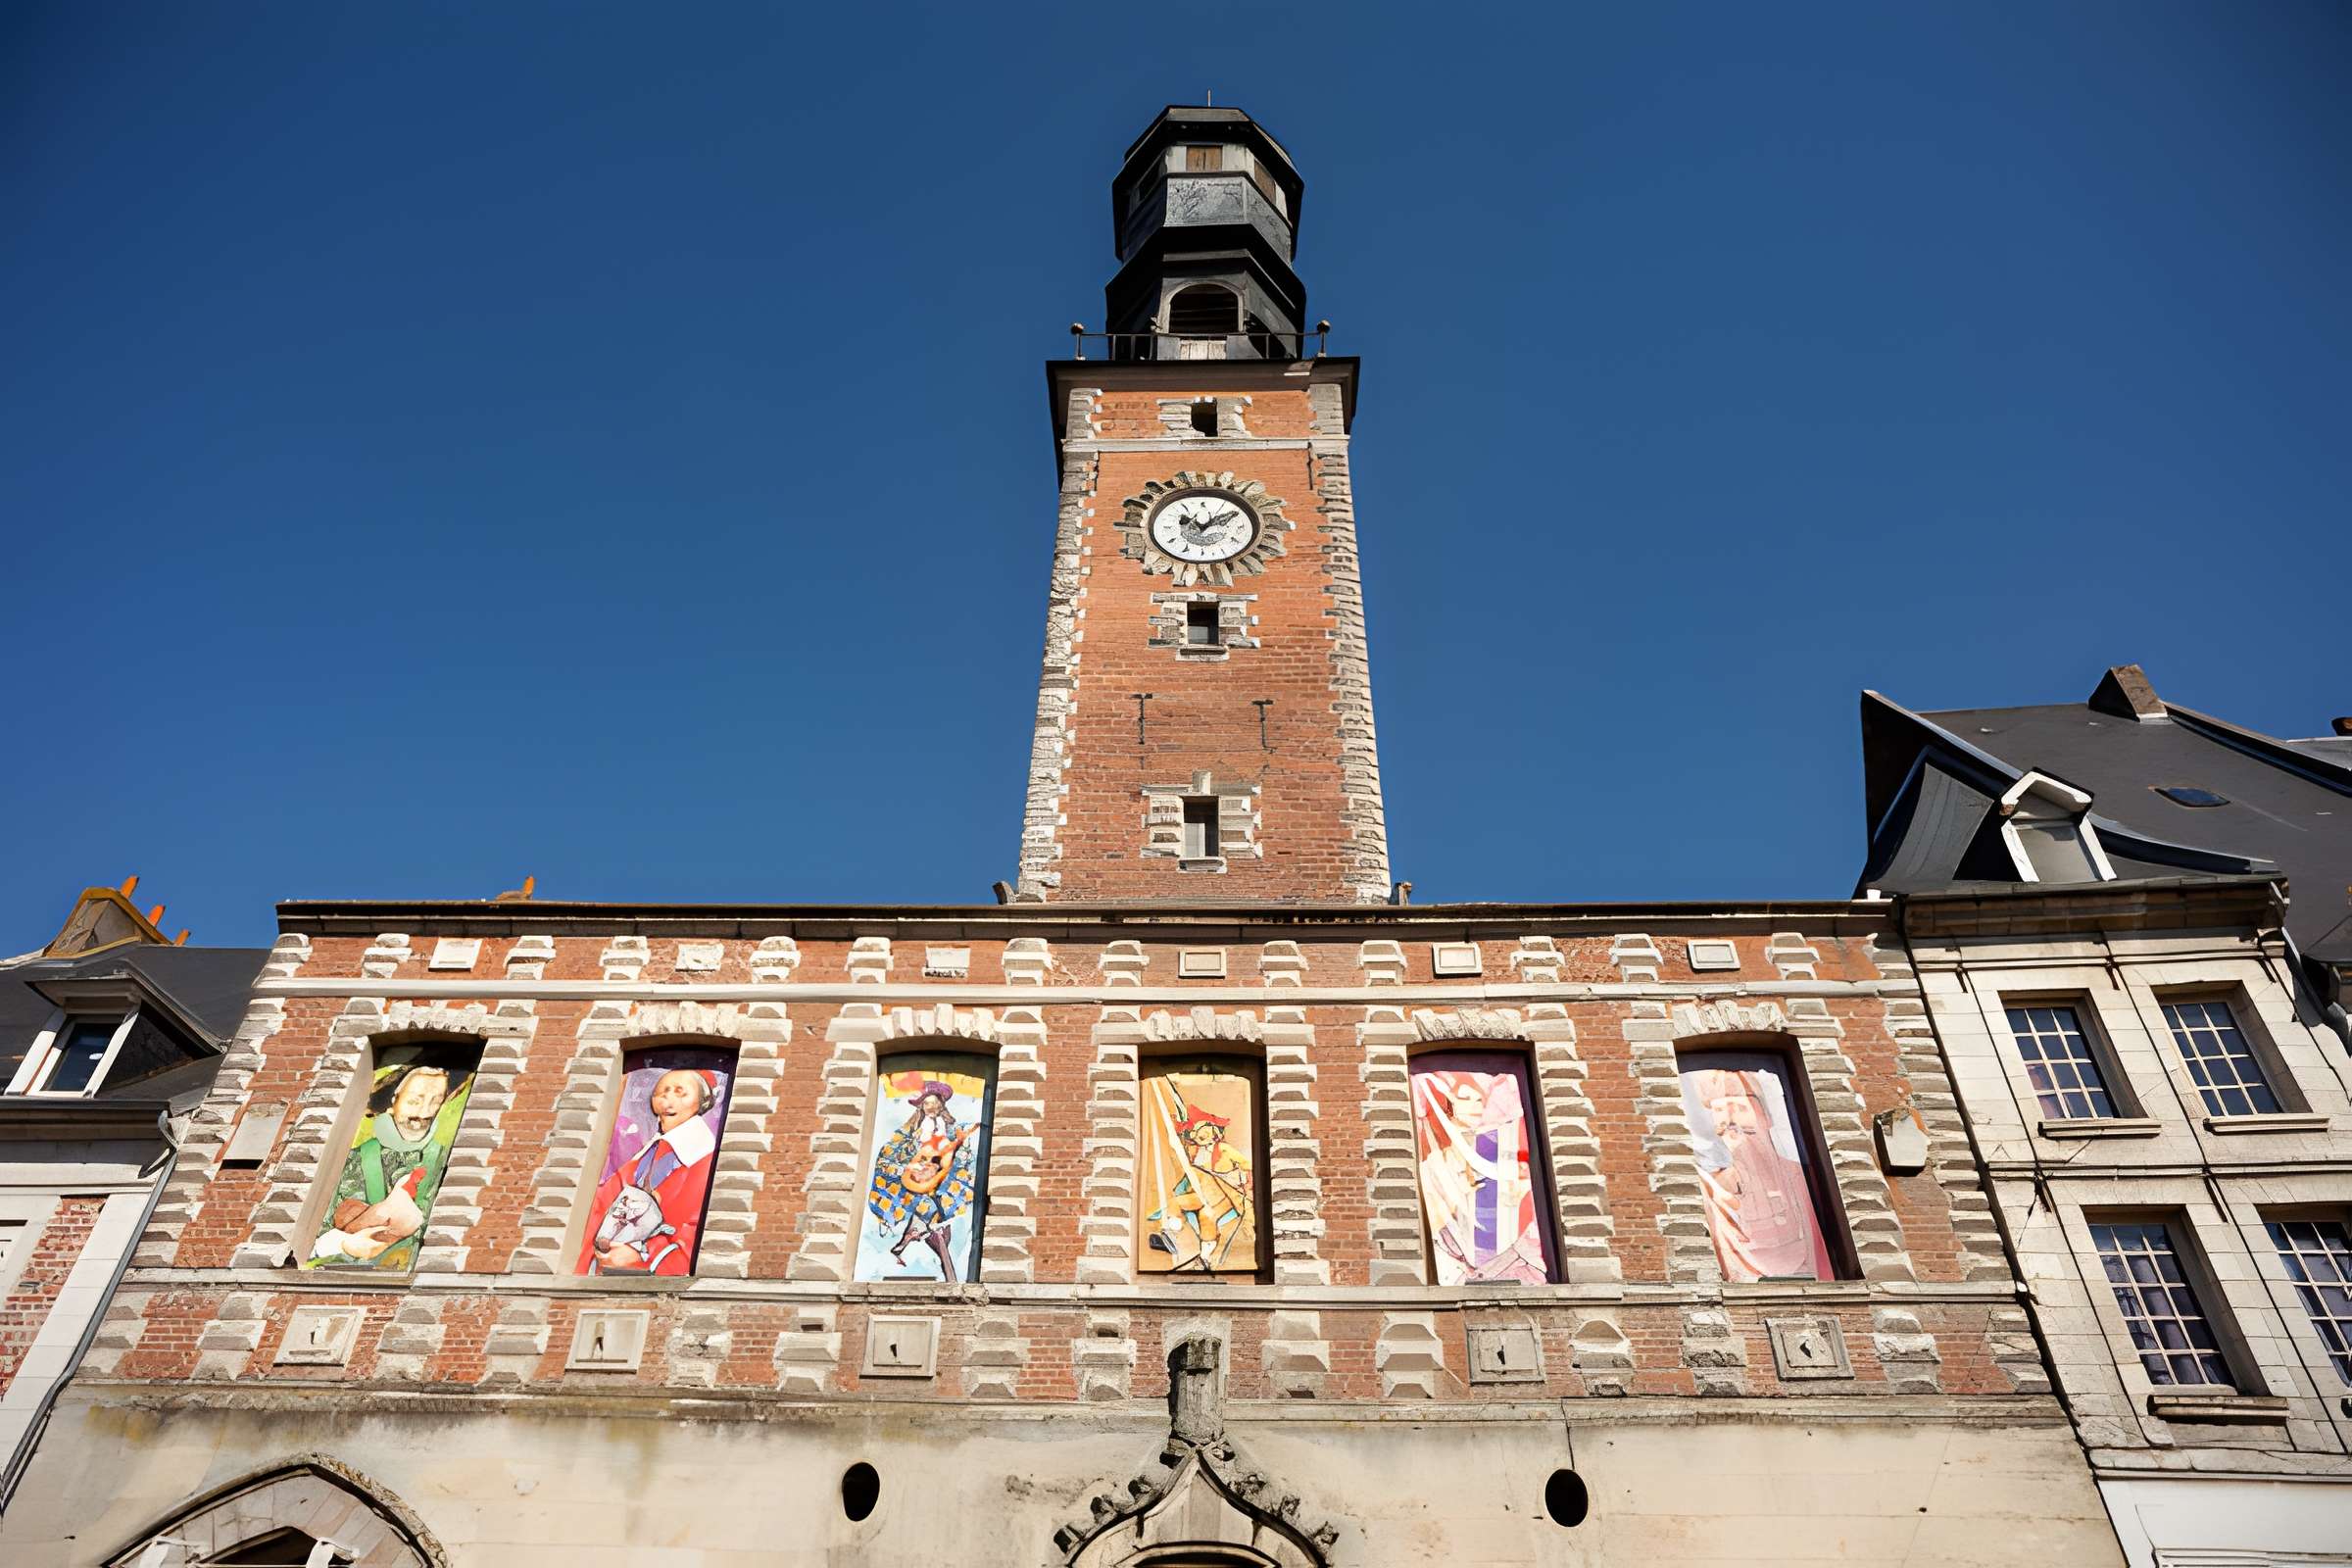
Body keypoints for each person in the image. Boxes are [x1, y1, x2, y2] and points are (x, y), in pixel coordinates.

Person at [1689, 1068, 1833, 1281]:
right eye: (1719, 1110)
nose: (1730, 1121)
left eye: (1738, 1108)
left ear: (1765, 1118)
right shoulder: (1710, 1189)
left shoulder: (1801, 1179)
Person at [309, 1063, 459, 1267]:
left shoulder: (449, 1161)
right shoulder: (355, 1159)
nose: (424, 1114)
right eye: (414, 1101)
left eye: (435, 1102)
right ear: (393, 1100)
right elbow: (311, 1240)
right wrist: (345, 1244)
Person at [578, 1067, 723, 1276]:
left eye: (680, 1092)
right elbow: (601, 1204)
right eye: (662, 1092)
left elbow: (698, 1229)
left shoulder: (704, 1159)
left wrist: (644, 1254)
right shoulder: (643, 1158)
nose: (667, 1098)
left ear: (701, 1102)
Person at [1416, 1074, 1544, 1285]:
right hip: (1456, 1268)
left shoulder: (1505, 1141)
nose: (1475, 1103)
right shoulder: (1434, 1164)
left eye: (1478, 1099)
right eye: (1465, 1098)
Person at [866, 1080, 979, 1281]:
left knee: (940, 1227)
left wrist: (956, 1153)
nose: (931, 1107)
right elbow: (887, 1158)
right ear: (921, 1107)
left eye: (935, 1103)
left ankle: (907, 1244)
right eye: (927, 1103)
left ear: (942, 1105)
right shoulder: (908, 1133)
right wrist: (909, 1166)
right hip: (913, 1187)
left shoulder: (952, 1130)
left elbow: (964, 1157)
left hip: (943, 1188)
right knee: (930, 1216)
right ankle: (907, 1246)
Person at [1149, 1101, 1252, 1271]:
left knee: (1207, 1216)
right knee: (1176, 1202)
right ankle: (1170, 1235)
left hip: (1223, 1194)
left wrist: (1243, 1181)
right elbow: (1178, 1147)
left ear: (1214, 1131)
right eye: (1196, 1131)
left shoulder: (1224, 1149)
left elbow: (1247, 1166)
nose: (1200, 1133)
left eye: (1203, 1128)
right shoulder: (1195, 1151)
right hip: (1201, 1193)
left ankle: (1205, 1258)